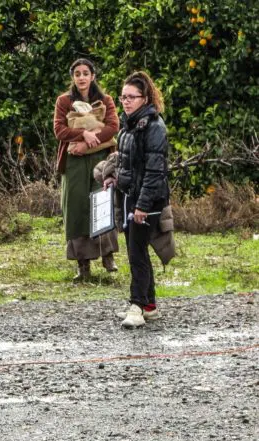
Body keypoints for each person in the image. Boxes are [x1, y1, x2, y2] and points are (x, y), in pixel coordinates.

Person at [104, 71, 172, 328]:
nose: (126, 101)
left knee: (136, 254)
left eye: (131, 97)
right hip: (129, 198)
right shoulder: (129, 125)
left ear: (145, 98)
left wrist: (142, 206)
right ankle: (150, 305)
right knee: (138, 249)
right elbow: (127, 164)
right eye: (123, 97)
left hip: (148, 202)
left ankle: (137, 306)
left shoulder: (154, 127)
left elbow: (155, 172)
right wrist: (115, 180)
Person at [53, 59, 120, 281]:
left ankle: (107, 255)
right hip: (74, 162)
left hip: (101, 159)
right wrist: (84, 134)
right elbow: (59, 130)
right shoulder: (64, 101)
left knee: (102, 202)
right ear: (73, 77)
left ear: (93, 76)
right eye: (77, 73)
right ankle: (83, 265)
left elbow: (113, 127)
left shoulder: (105, 100)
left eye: (85, 73)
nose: (81, 77)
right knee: (77, 206)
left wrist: (89, 142)